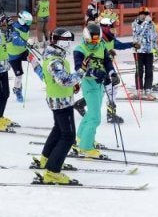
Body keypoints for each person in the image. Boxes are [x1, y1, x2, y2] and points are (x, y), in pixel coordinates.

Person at [32, 28, 85, 185]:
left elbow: (47, 77)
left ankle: (47, 159)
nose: (70, 44)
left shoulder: (51, 56)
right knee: (68, 136)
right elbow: (64, 81)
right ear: (62, 42)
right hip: (61, 102)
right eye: (68, 41)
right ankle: (53, 172)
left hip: (57, 99)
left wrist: (72, 86)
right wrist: (82, 71)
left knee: (58, 130)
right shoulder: (55, 60)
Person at [73, 22, 118, 158]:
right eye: (93, 39)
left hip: (100, 84)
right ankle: (86, 148)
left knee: (91, 114)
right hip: (89, 85)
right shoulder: (80, 49)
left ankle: (81, 139)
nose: (95, 42)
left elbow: (107, 62)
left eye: (98, 39)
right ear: (87, 37)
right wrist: (94, 72)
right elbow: (78, 69)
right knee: (95, 118)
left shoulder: (101, 46)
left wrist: (112, 74)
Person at [99, 17, 132, 124]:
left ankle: (110, 113)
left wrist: (132, 44)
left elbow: (120, 45)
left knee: (109, 90)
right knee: (104, 91)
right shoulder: (97, 39)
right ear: (104, 28)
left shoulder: (110, 38)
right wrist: (107, 53)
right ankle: (110, 115)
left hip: (109, 69)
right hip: (99, 70)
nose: (113, 30)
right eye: (111, 27)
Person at [7, 10, 37, 103]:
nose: (29, 24)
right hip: (13, 55)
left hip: (23, 50)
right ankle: (18, 91)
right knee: (19, 75)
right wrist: (27, 43)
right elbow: (16, 41)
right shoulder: (14, 28)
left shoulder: (24, 27)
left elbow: (24, 38)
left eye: (30, 22)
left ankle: (43, 76)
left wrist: (29, 42)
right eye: (27, 22)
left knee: (33, 59)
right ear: (22, 20)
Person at [131, 6, 158, 100]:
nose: (144, 16)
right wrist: (146, 22)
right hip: (138, 50)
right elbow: (138, 33)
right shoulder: (135, 23)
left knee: (149, 70)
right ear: (139, 15)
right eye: (142, 14)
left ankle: (148, 89)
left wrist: (157, 48)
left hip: (149, 50)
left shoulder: (152, 24)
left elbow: (155, 35)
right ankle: (139, 90)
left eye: (146, 14)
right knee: (139, 70)